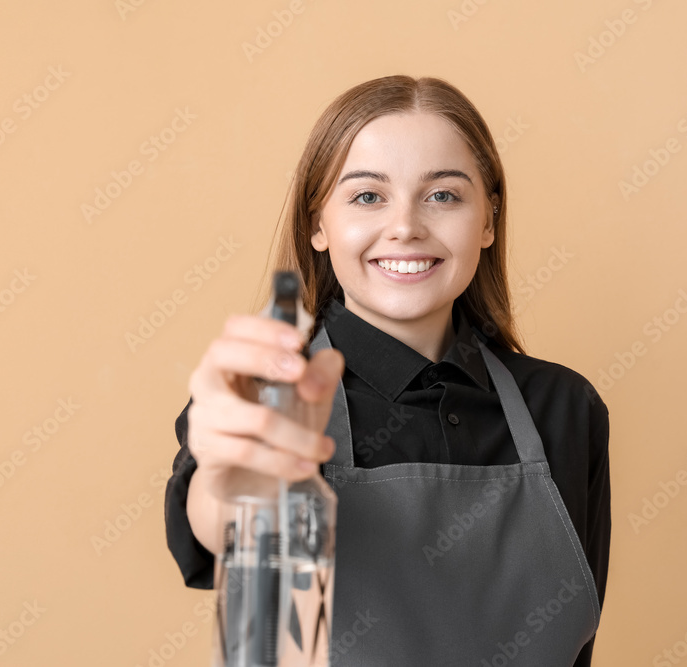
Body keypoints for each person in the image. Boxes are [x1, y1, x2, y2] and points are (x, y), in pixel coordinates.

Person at [164, 74, 611, 666]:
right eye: (368, 196)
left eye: (443, 195)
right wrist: (230, 479)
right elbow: (219, 519)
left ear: (488, 219)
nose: (405, 226)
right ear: (319, 224)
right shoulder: (264, 401)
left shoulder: (565, 407)